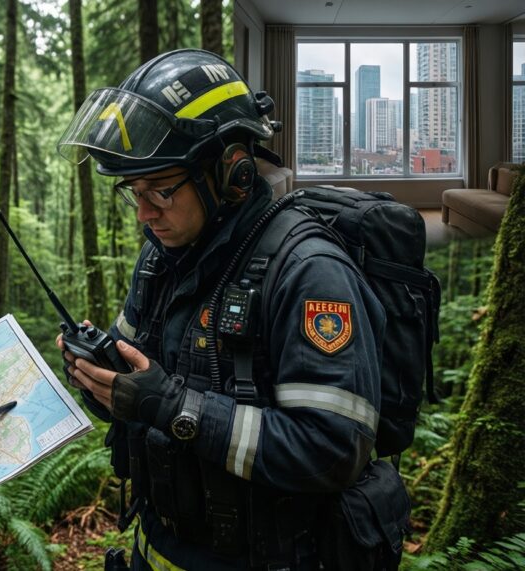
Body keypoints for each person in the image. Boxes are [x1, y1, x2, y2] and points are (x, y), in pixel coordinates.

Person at [55, 49, 388, 570]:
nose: (144, 214)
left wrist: (175, 408)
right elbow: (137, 388)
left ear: (232, 171)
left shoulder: (309, 272)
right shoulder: (160, 259)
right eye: (133, 193)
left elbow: (333, 450)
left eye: (161, 191)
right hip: (158, 544)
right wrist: (99, 379)